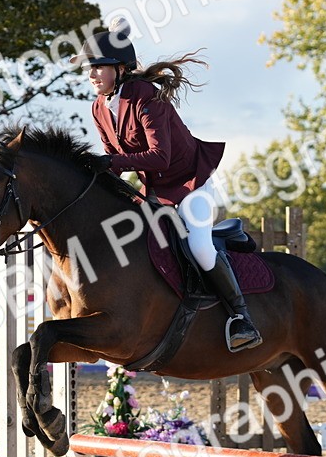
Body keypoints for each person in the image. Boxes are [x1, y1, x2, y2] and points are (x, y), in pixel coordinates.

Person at [74, 22, 261, 352]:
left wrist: (113, 164)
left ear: (120, 69)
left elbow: (160, 157)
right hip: (156, 192)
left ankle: (241, 318)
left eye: (98, 66)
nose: (92, 75)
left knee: (200, 247)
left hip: (192, 184)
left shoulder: (147, 99)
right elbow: (111, 159)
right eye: (90, 68)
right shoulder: (98, 107)